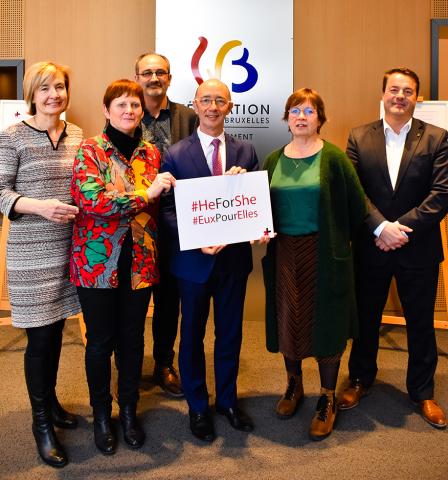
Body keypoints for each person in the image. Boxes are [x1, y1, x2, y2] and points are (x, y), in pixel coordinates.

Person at [338, 67, 448, 430]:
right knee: (366, 318)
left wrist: (402, 229)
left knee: (420, 323)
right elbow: (354, 190)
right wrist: (381, 227)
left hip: (417, 247)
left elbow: (442, 194)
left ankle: (422, 391)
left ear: (416, 97)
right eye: (394, 89)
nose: (400, 96)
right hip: (372, 245)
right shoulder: (358, 136)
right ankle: (359, 380)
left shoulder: (437, 138)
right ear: (383, 94)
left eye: (408, 91)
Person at [70, 79, 175, 454]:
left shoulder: (150, 154)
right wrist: (144, 195)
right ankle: (102, 414)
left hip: (140, 261)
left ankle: (129, 411)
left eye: (134, 105)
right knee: (100, 342)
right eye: (121, 105)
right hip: (97, 262)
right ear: (107, 110)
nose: (129, 111)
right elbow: (95, 201)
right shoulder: (90, 151)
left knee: (132, 340)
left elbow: (160, 204)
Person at [262, 88, 367, 440]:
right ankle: (294, 386)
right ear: (286, 117)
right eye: (295, 110)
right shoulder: (273, 160)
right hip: (284, 254)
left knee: (327, 324)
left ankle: (327, 397)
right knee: (288, 320)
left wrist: (338, 238)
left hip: (324, 253)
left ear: (320, 118)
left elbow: (357, 208)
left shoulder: (334, 159)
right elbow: (260, 208)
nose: (302, 116)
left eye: (309, 110)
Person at [160, 79, 259, 443]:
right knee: (192, 335)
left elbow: (252, 204)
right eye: (206, 100)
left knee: (230, 333)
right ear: (196, 105)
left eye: (220, 100)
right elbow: (167, 211)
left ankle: (228, 401)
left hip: (233, 261)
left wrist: (251, 208)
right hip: (193, 263)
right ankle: (198, 406)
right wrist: (196, 241)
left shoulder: (246, 151)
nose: (213, 106)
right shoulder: (174, 154)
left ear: (230, 106)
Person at [0, 61, 82, 468]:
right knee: (41, 340)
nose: (54, 94)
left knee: (57, 331)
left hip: (70, 251)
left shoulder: (78, 135)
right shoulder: (12, 135)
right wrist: (39, 207)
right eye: (45, 88)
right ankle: (41, 425)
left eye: (60, 87)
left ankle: (51, 404)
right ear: (32, 93)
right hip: (31, 253)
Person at [134, 52, 197, 396]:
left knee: (169, 298)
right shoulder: (126, 112)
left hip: (178, 222)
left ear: (169, 79)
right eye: (147, 72)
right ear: (137, 77)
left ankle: (163, 363)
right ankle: (129, 364)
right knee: (134, 298)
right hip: (136, 220)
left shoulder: (187, 116)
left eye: (160, 72)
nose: (154, 78)